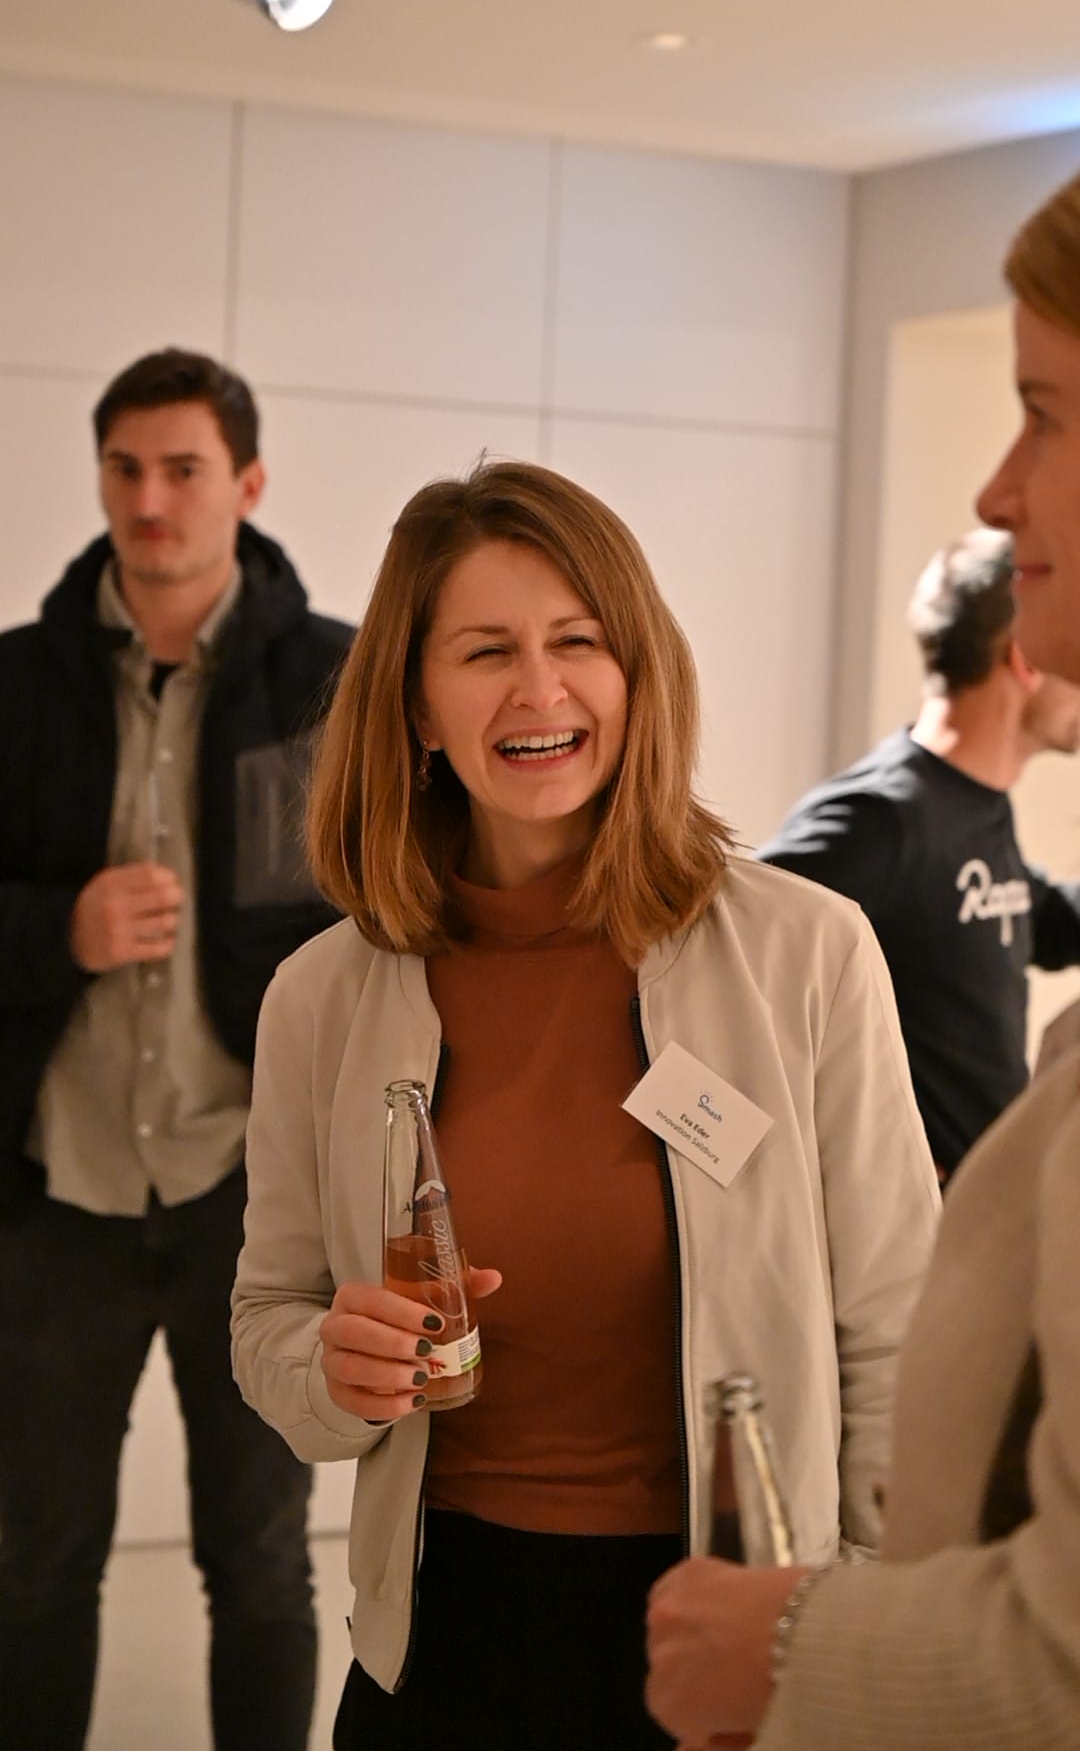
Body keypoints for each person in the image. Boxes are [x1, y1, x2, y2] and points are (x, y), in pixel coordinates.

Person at [231, 458, 939, 1751]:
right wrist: (334, 1371)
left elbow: (896, 1332)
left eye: (577, 642)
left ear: (636, 674)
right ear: (418, 706)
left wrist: (865, 1633)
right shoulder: (322, 998)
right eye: (485, 652)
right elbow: (268, 1315)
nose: (540, 689)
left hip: (739, 1631)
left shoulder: (807, 953)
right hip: (440, 1637)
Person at [646, 169, 1080, 1751]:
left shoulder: (993, 827)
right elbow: (724, 950)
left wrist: (802, 1649)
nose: (1001, 483)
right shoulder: (875, 820)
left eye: (1042, 413)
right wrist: (719, 1132)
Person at [0, 349, 353, 1751]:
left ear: (247, 484)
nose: (150, 501)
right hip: (57, 1194)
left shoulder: (331, 681)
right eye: (125, 468)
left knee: (261, 1564)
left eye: (184, 469)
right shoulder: (17, 683)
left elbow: (384, 922)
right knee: (34, 1569)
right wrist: (58, 931)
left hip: (250, 1197)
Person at [759, 528, 1080, 1177]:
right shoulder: (877, 820)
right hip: (917, 1228)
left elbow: (1039, 917)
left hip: (981, 1212)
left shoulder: (976, 805)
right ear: (1023, 658)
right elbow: (727, 963)